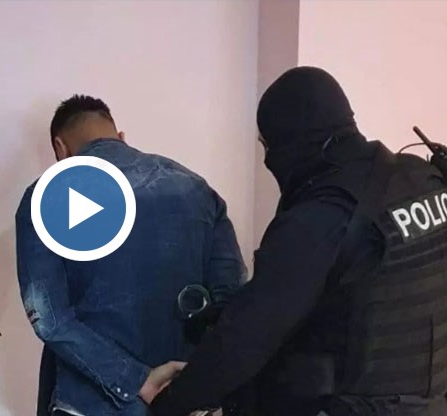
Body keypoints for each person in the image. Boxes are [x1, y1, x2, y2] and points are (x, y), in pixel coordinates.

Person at [149, 67, 447, 416]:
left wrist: (169, 403)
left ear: (291, 140)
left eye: (268, 145)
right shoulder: (424, 178)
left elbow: (246, 338)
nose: (267, 158)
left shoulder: (322, 215)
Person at [15, 95, 247, 415]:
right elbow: (231, 302)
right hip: (184, 400)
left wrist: (137, 380)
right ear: (121, 137)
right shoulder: (197, 189)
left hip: (87, 405)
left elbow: (49, 318)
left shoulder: (46, 197)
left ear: (60, 148)